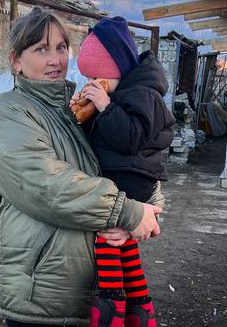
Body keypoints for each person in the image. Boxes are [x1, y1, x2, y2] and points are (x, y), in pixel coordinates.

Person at [0, 7, 162, 327]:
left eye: (61, 48)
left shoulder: (74, 112)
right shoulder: (8, 112)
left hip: (89, 292)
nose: (56, 60)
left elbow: (126, 161)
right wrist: (127, 212)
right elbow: (49, 186)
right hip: (42, 296)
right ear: (16, 60)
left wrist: (148, 206)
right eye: (41, 49)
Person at [72, 16, 175, 327]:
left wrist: (104, 105)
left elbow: (129, 139)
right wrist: (82, 112)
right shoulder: (119, 94)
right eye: (87, 76)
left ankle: (111, 308)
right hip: (123, 181)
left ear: (117, 70)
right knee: (124, 247)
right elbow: (101, 139)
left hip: (132, 184)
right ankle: (139, 310)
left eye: (97, 76)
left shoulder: (143, 95)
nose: (92, 83)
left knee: (108, 241)